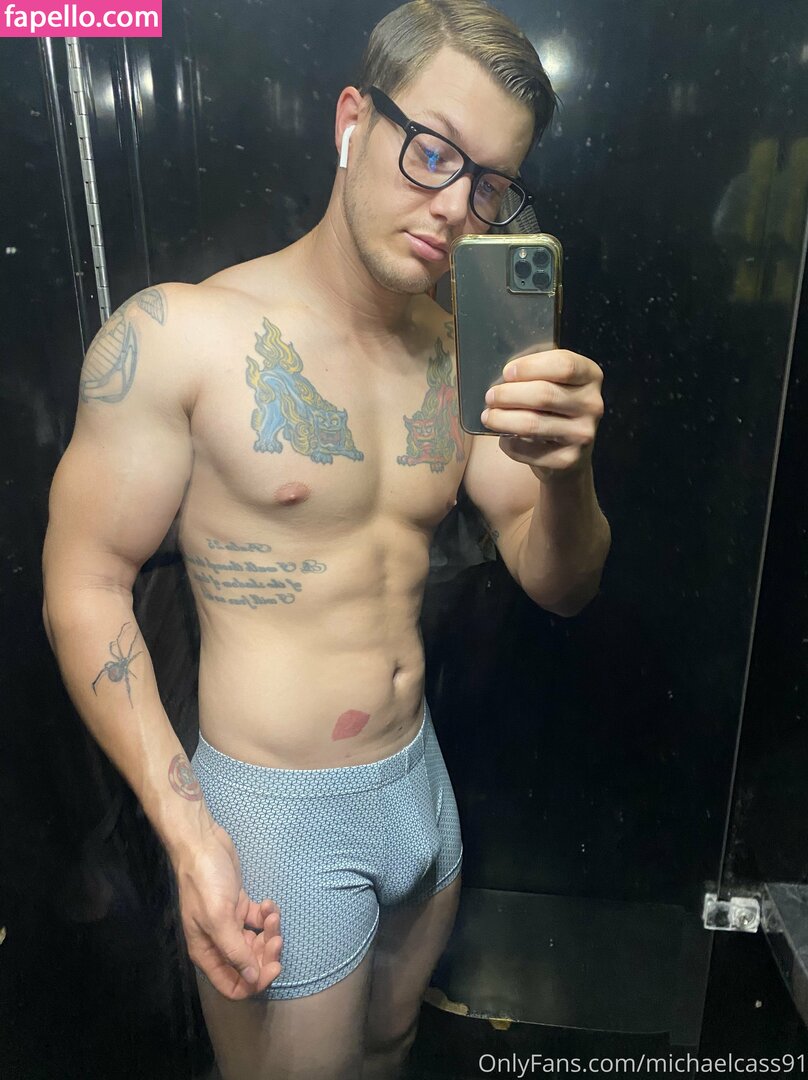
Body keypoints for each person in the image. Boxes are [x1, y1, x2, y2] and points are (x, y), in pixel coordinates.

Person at [41, 1, 610, 1076]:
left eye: (491, 184)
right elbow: (84, 584)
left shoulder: (465, 356)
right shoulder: (181, 337)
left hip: (419, 784)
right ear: (353, 121)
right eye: (432, 150)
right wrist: (190, 834)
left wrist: (568, 474)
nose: (455, 206)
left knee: (393, 1046)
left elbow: (559, 580)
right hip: (279, 813)